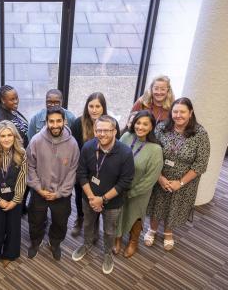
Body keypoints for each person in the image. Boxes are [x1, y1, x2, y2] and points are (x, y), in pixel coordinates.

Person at [72, 115, 134, 275]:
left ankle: (107, 253)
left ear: (114, 131)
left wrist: (103, 199)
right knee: (87, 224)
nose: (102, 134)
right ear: (94, 130)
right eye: (98, 130)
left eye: (106, 130)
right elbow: (81, 173)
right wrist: (92, 198)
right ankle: (86, 244)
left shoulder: (125, 153)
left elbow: (125, 182)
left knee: (109, 230)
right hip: (89, 198)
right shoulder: (87, 147)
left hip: (112, 202)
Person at [145, 97, 210, 251]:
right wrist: (159, 177)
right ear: (171, 112)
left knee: (175, 206)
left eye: (182, 112)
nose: (178, 115)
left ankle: (168, 232)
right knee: (156, 202)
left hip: (185, 182)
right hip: (160, 176)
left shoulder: (200, 134)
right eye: (175, 111)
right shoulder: (161, 128)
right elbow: (151, 151)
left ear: (190, 113)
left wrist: (179, 182)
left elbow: (200, 164)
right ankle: (152, 229)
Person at [27, 106, 79, 260]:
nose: (55, 125)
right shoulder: (36, 140)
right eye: (51, 121)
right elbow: (30, 166)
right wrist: (38, 188)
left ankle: (55, 242)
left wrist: (59, 193)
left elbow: (73, 171)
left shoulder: (73, 144)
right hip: (39, 192)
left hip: (61, 194)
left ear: (65, 121)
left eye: (58, 121)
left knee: (60, 222)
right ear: (46, 122)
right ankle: (36, 242)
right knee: (35, 221)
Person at [113, 111, 163, 258]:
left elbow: (151, 178)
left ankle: (133, 242)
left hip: (140, 192)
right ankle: (118, 238)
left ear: (151, 126)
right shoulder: (127, 136)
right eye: (138, 123)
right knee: (119, 214)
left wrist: (131, 192)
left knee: (135, 216)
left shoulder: (156, 149)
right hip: (120, 187)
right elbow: (115, 157)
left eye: (145, 124)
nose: (140, 127)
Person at [70, 92, 120, 237]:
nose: (94, 109)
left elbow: (117, 146)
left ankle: (95, 223)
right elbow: (73, 148)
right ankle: (80, 219)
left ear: (103, 108)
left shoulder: (112, 124)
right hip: (83, 170)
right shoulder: (78, 123)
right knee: (80, 196)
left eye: (98, 106)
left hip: (103, 171)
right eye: (91, 106)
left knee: (99, 197)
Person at [0, 120, 27, 267]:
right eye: (3, 136)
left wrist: (15, 201)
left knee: (13, 229)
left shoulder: (22, 154)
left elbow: (23, 179)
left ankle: (9, 254)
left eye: (10, 135)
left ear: (15, 137)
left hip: (15, 197)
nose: (7, 139)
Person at [0, 85, 29, 214]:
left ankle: (22, 207)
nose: (16, 101)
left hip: (22, 154)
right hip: (14, 160)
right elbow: (5, 144)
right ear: (3, 100)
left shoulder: (11, 110)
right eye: (12, 99)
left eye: (16, 98)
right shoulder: (0, 118)